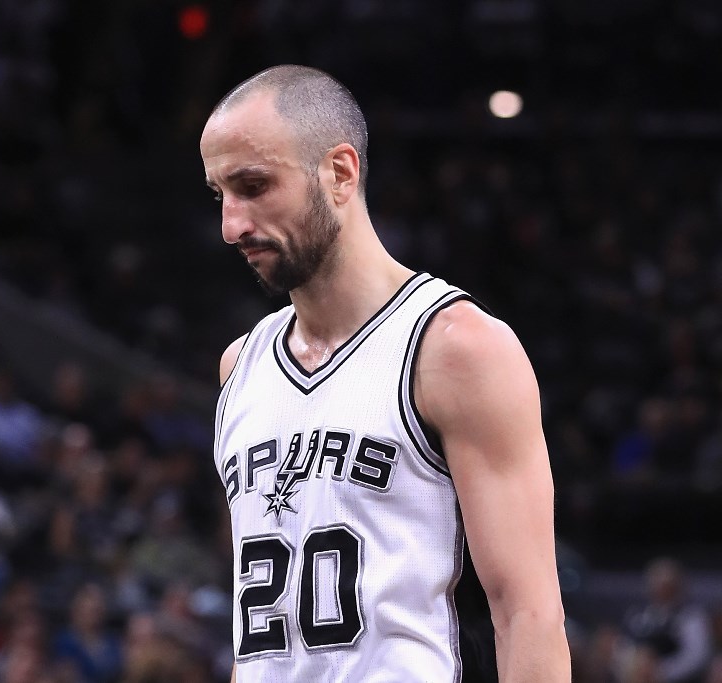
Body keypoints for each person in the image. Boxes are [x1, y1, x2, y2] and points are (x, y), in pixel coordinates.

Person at [201, 65, 569, 681]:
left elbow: (529, 614)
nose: (231, 225)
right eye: (221, 195)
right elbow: (260, 636)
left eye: (254, 186)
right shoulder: (239, 367)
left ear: (339, 173)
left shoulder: (455, 349)